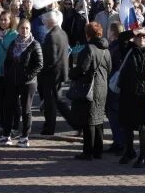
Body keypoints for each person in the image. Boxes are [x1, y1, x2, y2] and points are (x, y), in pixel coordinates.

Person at [118, 27, 145, 168]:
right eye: (139, 37)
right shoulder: (128, 49)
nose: (142, 39)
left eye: (144, 37)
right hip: (127, 92)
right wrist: (134, 32)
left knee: (143, 127)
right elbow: (121, 37)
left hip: (144, 95)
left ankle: (143, 156)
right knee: (126, 124)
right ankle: (129, 150)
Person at [0, 18, 43, 148]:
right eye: (22, 28)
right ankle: (6, 135)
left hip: (28, 83)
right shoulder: (14, 43)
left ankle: (24, 137)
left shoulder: (35, 44)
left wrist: (27, 76)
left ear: (30, 29)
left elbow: (39, 64)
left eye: (27, 28)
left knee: (26, 109)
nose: (24, 30)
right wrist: (8, 74)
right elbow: (8, 60)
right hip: (12, 81)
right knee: (8, 107)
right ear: (19, 29)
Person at [69, 22, 111, 160]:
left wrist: (71, 73)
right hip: (103, 87)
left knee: (88, 120)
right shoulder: (106, 50)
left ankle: (88, 151)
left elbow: (82, 69)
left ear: (87, 35)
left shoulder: (89, 49)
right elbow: (109, 68)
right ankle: (98, 150)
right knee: (98, 119)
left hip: (90, 87)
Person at [38, 9, 70, 135]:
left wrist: (42, 71)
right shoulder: (62, 33)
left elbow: (50, 59)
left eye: (45, 22)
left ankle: (50, 127)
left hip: (52, 75)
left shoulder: (51, 36)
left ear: (50, 22)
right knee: (57, 102)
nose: (44, 24)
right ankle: (75, 123)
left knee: (51, 103)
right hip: (59, 73)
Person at [0, 11, 19, 131]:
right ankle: (2, 120)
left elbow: (14, 52)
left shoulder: (15, 35)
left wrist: (2, 42)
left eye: (5, 20)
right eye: (1, 20)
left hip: (10, 72)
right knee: (0, 98)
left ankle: (14, 124)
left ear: (10, 21)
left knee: (12, 100)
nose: (2, 22)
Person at [105, 22, 125, 154]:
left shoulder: (116, 48)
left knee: (114, 114)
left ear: (112, 32)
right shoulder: (117, 46)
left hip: (114, 85)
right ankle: (117, 141)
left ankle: (119, 143)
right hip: (116, 85)